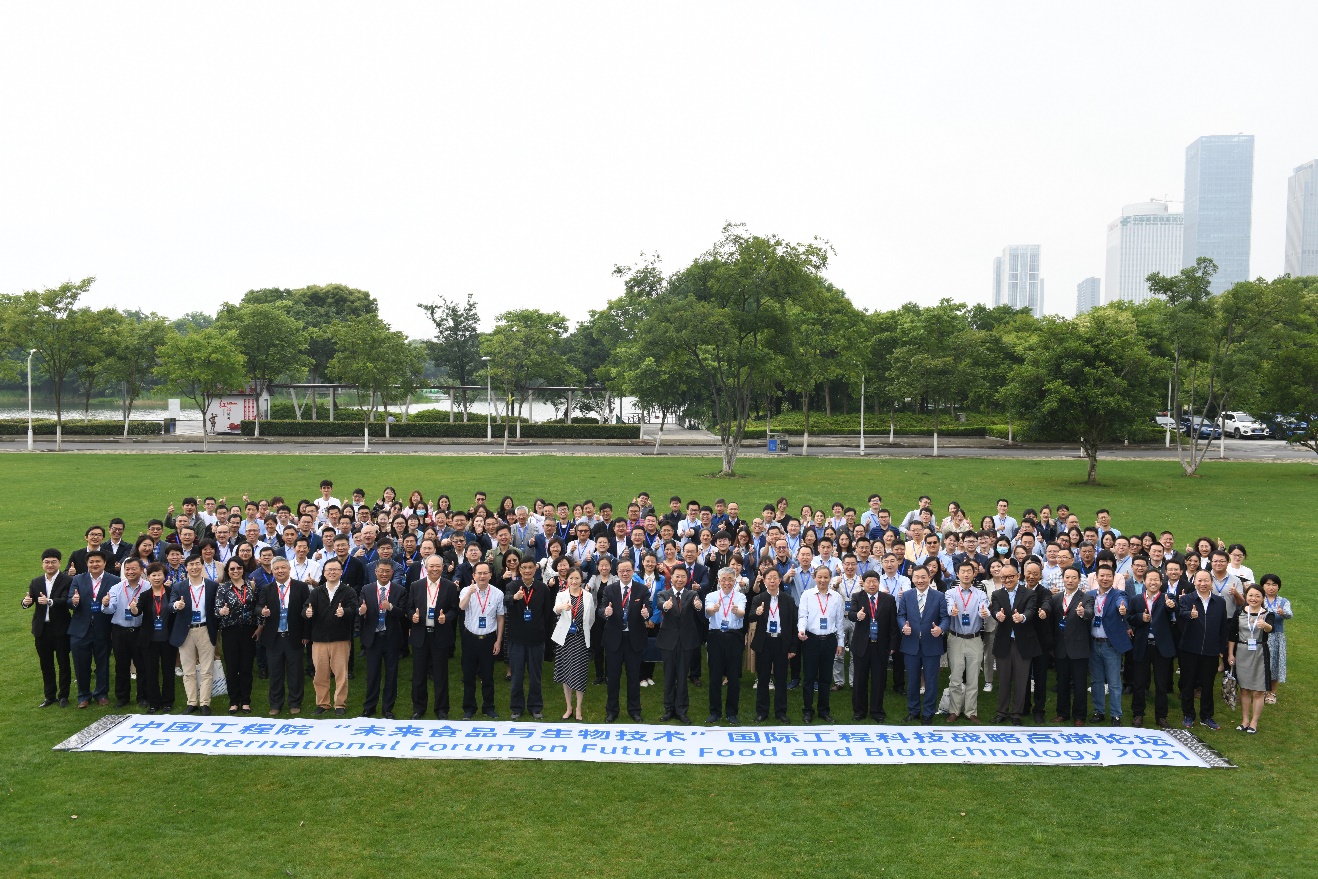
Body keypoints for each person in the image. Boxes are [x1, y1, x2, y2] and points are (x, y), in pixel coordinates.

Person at [408, 554, 459, 719]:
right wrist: (413, 616)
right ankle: (418, 708)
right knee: (418, 675)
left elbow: (454, 609)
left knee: (440, 675)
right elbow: (409, 608)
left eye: (438, 566)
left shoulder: (450, 586)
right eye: (432, 566)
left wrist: (447, 618)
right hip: (420, 635)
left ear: (443, 568)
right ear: (426, 567)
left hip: (440, 635)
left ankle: (442, 709)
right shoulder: (416, 585)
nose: (435, 569)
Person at [599, 557, 650, 723]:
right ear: (617, 572)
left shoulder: (642, 589)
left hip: (633, 639)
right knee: (613, 678)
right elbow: (601, 608)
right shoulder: (610, 589)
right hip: (614, 639)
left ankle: (634, 710)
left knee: (633, 677)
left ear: (633, 571)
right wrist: (605, 612)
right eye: (622, 570)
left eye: (628, 570)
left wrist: (646, 614)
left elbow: (648, 607)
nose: (625, 573)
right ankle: (611, 711)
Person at [1178, 569, 1229, 731]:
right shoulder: (1186, 599)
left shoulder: (1220, 602)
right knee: (1188, 683)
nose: (1202, 583)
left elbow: (1223, 626)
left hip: (1211, 650)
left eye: (1206, 580)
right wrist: (1189, 615)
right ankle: (1188, 715)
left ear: (1211, 582)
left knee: (1208, 684)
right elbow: (1181, 614)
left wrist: (1221, 649)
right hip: (1189, 649)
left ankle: (1206, 716)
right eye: (1199, 580)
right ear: (1194, 582)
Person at [897, 567, 949, 724]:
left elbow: (945, 618)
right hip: (911, 644)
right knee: (912, 681)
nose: (920, 580)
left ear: (929, 577)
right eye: (917, 577)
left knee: (931, 682)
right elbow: (901, 615)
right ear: (912, 579)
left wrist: (940, 629)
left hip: (931, 644)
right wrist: (903, 627)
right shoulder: (906, 596)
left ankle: (928, 713)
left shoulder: (939, 596)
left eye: (923, 577)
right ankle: (913, 711)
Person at [989, 561, 1039, 725]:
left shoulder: (1029, 593)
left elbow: (1031, 610)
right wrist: (998, 615)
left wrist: (1022, 617)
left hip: (1022, 643)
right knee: (1003, 680)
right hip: (1004, 642)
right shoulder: (997, 594)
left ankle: (1016, 713)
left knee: (1021, 680)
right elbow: (994, 609)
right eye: (1004, 577)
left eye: (1011, 576)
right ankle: (1001, 712)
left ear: (1018, 576)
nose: (1007, 580)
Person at [169, 552, 220, 715]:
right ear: (186, 567)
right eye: (191, 564)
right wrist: (176, 605)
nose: (195, 567)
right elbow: (169, 605)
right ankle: (192, 702)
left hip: (205, 629)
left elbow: (216, 608)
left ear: (202, 565)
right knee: (188, 670)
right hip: (186, 631)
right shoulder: (179, 587)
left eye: (198, 563)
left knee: (207, 669)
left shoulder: (212, 586)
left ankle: (205, 703)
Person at [258, 557, 309, 716]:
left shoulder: (301, 587)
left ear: (289, 569)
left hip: (294, 636)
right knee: (275, 673)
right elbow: (258, 606)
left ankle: (295, 702)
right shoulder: (267, 589)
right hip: (274, 638)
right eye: (276, 568)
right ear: (272, 571)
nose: (280, 571)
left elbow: (307, 610)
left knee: (295, 673)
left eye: (283, 567)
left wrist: (306, 634)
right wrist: (262, 611)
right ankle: (276, 704)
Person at [305, 557, 355, 717]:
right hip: (319, 640)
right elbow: (306, 607)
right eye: (329, 570)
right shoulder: (317, 591)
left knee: (341, 674)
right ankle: (323, 703)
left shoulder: (348, 591)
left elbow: (354, 609)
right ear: (324, 573)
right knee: (320, 674)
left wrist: (345, 612)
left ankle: (340, 704)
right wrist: (307, 612)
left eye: (335, 569)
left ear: (341, 572)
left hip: (340, 639)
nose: (332, 572)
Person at [68, 550, 118, 708]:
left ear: (104, 563)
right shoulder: (78, 579)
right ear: (87, 564)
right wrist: (74, 601)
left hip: (103, 628)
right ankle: (83, 696)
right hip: (80, 629)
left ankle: (101, 694)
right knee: (81, 664)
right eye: (91, 562)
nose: (94, 564)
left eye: (98, 561)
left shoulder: (114, 580)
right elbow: (69, 601)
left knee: (102, 663)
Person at [23, 549, 72, 708]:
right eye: (47, 562)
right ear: (42, 563)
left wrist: (50, 601)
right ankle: (49, 696)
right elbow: (29, 599)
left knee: (63, 663)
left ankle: (63, 696)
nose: (50, 565)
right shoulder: (36, 582)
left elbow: (65, 600)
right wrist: (26, 602)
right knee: (46, 664)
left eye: (53, 562)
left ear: (59, 563)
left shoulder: (67, 580)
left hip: (60, 629)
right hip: (41, 630)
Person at [358, 560, 407, 719]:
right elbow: (360, 609)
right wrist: (361, 611)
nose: (384, 574)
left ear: (392, 573)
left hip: (391, 638)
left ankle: (387, 708)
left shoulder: (400, 590)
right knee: (372, 674)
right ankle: (369, 707)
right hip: (373, 638)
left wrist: (390, 607)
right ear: (375, 572)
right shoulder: (366, 589)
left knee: (391, 674)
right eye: (381, 571)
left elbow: (403, 613)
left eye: (387, 571)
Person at [1129, 568, 1178, 728]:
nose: (1153, 582)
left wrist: (1171, 605)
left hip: (1161, 647)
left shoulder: (1167, 597)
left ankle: (1161, 717)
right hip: (1142, 646)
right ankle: (1138, 714)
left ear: (1161, 582)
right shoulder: (1136, 599)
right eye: (1150, 579)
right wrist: (1140, 618)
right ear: (1144, 581)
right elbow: (1130, 618)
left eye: (1156, 579)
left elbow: (1173, 607)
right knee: (1139, 683)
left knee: (1161, 684)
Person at [848, 571, 899, 722]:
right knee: (859, 679)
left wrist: (893, 645)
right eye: (868, 582)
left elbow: (893, 624)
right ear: (863, 583)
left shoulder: (888, 599)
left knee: (879, 680)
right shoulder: (857, 597)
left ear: (879, 582)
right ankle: (859, 711)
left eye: (874, 581)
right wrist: (857, 615)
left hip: (881, 645)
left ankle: (877, 711)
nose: (871, 584)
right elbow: (851, 614)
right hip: (862, 645)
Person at [941, 560, 987, 723]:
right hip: (956, 639)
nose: (966, 574)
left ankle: (971, 712)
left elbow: (984, 608)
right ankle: (954, 710)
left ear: (974, 574)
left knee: (973, 678)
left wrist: (984, 613)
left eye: (969, 571)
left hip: (975, 639)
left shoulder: (980, 594)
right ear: (958, 574)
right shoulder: (950, 593)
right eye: (963, 571)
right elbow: (948, 607)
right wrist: (951, 611)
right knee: (955, 677)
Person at [797, 566, 844, 723]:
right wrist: (801, 630)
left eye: (826, 577)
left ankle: (824, 710)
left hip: (829, 640)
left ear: (830, 578)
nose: (823, 580)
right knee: (809, 678)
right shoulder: (807, 595)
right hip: (811, 640)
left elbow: (839, 621)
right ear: (814, 577)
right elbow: (803, 616)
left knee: (825, 678)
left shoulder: (836, 597)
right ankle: (808, 710)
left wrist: (840, 642)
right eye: (820, 577)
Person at [655, 565, 701, 723]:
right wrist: (665, 606)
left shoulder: (692, 594)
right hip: (668, 641)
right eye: (677, 576)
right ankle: (669, 709)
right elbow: (660, 603)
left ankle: (681, 710)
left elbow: (697, 604)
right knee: (668, 676)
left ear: (687, 579)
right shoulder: (663, 594)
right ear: (672, 578)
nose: (680, 579)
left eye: (683, 577)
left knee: (682, 676)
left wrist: (698, 606)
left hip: (686, 641)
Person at [459, 561, 504, 719]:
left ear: (490, 575)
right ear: (474, 575)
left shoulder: (498, 593)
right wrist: (469, 594)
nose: (482, 576)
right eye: (479, 573)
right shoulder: (466, 590)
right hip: (470, 638)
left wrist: (498, 641)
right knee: (469, 675)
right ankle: (469, 708)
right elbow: (461, 607)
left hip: (489, 639)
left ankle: (488, 707)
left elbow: (500, 618)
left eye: (485, 573)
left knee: (488, 675)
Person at [505, 557, 549, 721]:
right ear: (520, 570)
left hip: (536, 640)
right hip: (517, 640)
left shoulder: (542, 588)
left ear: (535, 569)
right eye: (524, 568)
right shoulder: (512, 586)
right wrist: (514, 598)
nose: (527, 571)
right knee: (516, 677)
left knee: (535, 677)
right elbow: (505, 601)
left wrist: (544, 635)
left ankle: (535, 707)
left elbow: (547, 614)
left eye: (530, 567)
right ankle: (516, 708)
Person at [749, 568, 796, 722]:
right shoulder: (759, 598)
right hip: (765, 642)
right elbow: (749, 618)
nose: (772, 581)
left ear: (780, 580)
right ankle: (762, 712)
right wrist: (757, 613)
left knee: (781, 679)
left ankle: (781, 712)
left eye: (775, 578)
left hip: (781, 642)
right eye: (769, 578)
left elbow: (793, 624)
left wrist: (793, 647)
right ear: (764, 581)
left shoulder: (788, 599)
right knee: (763, 678)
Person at [1087, 564, 1131, 725]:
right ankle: (1098, 711)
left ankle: (1116, 714)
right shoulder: (1089, 595)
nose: (1105, 579)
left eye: (1108, 576)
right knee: (1096, 681)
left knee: (1114, 682)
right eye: (1102, 575)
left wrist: (1123, 608)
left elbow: (1122, 602)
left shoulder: (1119, 594)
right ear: (1096, 577)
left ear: (1113, 578)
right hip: (1093, 643)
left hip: (1110, 645)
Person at [1049, 567, 1093, 726]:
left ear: (1079, 580)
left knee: (1080, 685)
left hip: (1079, 648)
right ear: (1063, 579)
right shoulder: (1056, 598)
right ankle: (1062, 713)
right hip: (1061, 648)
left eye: (1074, 577)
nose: (1070, 580)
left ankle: (1079, 716)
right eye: (1067, 577)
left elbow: (1090, 613)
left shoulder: (1086, 598)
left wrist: (1082, 613)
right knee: (1062, 683)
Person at [102, 556, 148, 708]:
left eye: (134, 568)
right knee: (121, 665)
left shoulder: (148, 587)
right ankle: (122, 697)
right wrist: (106, 604)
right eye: (127, 569)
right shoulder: (116, 587)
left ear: (141, 570)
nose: (130, 572)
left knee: (142, 665)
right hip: (120, 632)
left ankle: (143, 696)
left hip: (141, 631)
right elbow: (110, 609)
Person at [216, 558, 260, 714]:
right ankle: (234, 701)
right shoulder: (223, 588)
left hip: (249, 630)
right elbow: (216, 609)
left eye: (239, 568)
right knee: (232, 667)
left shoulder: (251, 585)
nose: (236, 571)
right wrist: (222, 611)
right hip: (230, 631)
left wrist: (260, 627)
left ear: (243, 569)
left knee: (246, 667)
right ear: (228, 571)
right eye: (232, 569)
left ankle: (246, 700)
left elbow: (257, 607)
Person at [1228, 583, 1274, 734]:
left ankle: (1254, 722)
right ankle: (1245, 720)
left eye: (1257, 596)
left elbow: (1271, 628)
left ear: (1263, 598)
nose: (1253, 598)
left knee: (1258, 691)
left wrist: (1264, 625)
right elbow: (1232, 635)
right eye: (1251, 595)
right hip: (1242, 652)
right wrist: (1230, 654)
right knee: (1244, 690)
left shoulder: (1268, 614)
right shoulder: (1239, 612)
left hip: (1260, 653)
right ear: (1246, 596)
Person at [703, 567, 747, 724]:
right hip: (715, 637)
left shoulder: (740, 596)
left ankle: (731, 713)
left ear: (734, 581)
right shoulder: (712, 596)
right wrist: (713, 609)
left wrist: (736, 611)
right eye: (724, 579)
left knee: (733, 677)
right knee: (715, 676)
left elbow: (742, 613)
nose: (727, 582)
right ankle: (715, 712)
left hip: (734, 637)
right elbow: (708, 612)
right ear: (719, 581)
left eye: (730, 579)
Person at [133, 562, 177, 712]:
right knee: (151, 672)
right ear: (148, 577)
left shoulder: (171, 592)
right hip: (149, 640)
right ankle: (154, 702)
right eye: (153, 575)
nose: (157, 578)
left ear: (164, 576)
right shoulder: (145, 595)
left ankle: (168, 701)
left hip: (168, 639)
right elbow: (137, 611)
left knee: (168, 671)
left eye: (159, 574)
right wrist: (133, 609)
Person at [552, 568, 594, 720]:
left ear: (581, 579)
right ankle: (568, 707)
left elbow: (591, 618)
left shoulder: (588, 596)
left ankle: (578, 708)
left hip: (580, 639)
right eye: (571, 578)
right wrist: (562, 607)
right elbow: (555, 610)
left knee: (579, 673)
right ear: (567, 579)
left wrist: (583, 629)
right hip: (565, 640)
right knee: (566, 673)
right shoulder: (561, 595)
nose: (574, 581)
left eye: (577, 578)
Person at [1259, 574, 1290, 704]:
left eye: (1274, 584)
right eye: (1268, 584)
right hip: (1261, 636)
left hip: (1277, 637)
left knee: (1275, 664)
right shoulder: (1258, 598)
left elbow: (1289, 614)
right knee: (1260, 663)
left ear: (1278, 587)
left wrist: (1283, 613)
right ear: (1262, 586)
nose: (1271, 587)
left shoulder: (1283, 601)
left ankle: (1272, 693)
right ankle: (1260, 690)